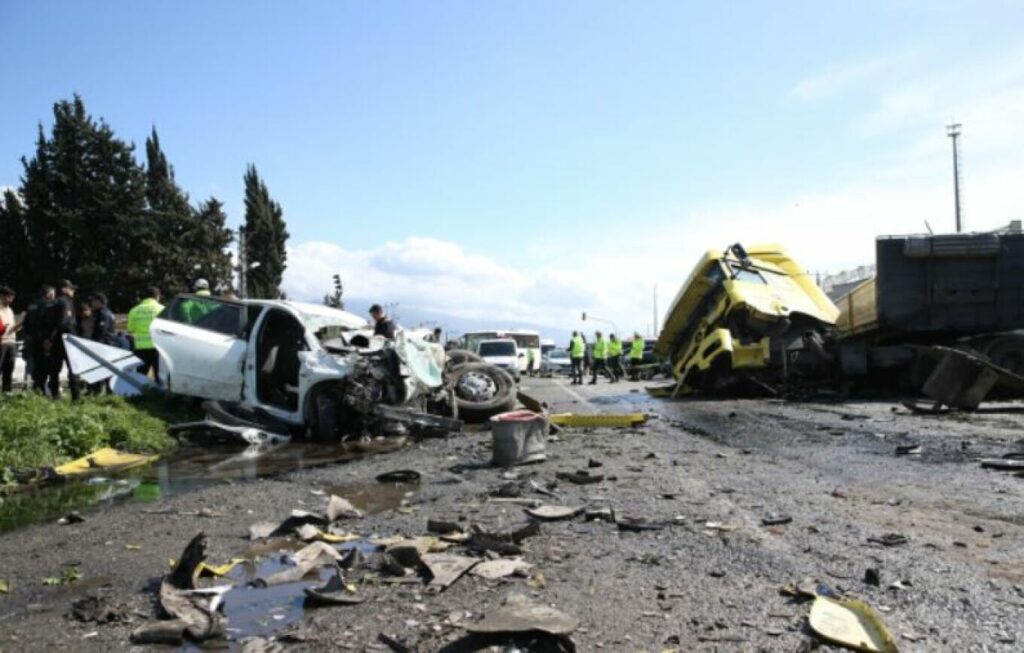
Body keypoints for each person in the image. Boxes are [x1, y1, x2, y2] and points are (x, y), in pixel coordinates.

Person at [45, 279, 80, 399]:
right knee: (73, 369)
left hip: (55, 340)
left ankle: (55, 395)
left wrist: (49, 339)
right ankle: (76, 397)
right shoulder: (65, 302)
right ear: (65, 289)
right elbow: (64, 323)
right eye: (72, 289)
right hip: (66, 339)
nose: (73, 291)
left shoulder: (53, 302)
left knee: (54, 369)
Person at [23, 285, 55, 391]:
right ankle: (43, 389)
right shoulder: (48, 306)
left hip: (32, 340)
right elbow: (48, 324)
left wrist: (29, 337)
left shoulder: (31, 306)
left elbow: (26, 324)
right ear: (49, 294)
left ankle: (33, 388)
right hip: (44, 341)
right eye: (53, 294)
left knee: (33, 365)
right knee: (45, 366)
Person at [128, 287, 164, 380]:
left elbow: (130, 329)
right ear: (157, 296)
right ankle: (159, 394)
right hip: (158, 347)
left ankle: (140, 394)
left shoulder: (134, 310)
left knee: (140, 376)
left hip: (140, 347)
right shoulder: (162, 309)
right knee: (160, 376)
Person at [0, 286, 18, 393]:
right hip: (2, 342)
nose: (11, 299)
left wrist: (19, 325)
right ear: (2, 296)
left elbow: (11, 328)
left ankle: (7, 392)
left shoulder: (10, 310)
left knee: (9, 369)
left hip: (11, 341)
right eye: (9, 297)